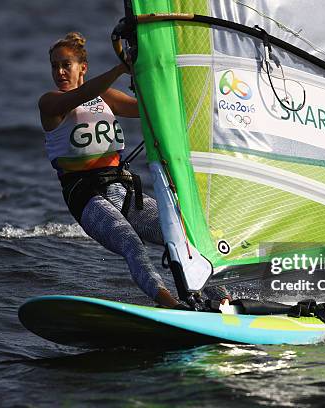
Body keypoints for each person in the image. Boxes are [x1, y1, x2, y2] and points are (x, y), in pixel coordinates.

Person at [38, 32, 228, 308]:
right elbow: (82, 95)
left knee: (180, 237)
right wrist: (119, 68)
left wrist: (152, 80)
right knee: (131, 245)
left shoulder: (106, 97)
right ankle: (170, 305)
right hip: (85, 197)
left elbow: (150, 110)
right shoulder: (50, 103)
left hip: (123, 190)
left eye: (66, 64)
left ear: (83, 67)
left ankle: (222, 300)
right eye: (54, 65)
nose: (59, 72)